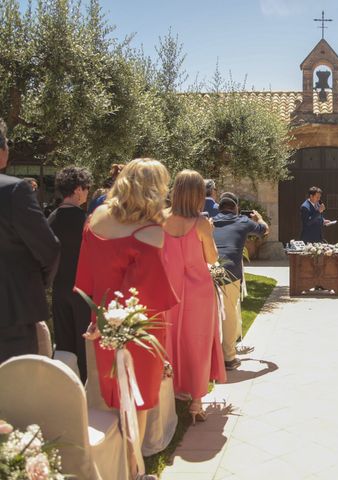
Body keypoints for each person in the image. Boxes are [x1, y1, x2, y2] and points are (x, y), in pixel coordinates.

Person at [75, 158, 178, 480]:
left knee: (110, 393)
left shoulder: (95, 219)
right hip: (138, 328)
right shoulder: (150, 233)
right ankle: (133, 470)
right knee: (138, 398)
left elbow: (87, 274)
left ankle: (113, 464)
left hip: (102, 321)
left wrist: (97, 318)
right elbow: (149, 292)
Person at [162, 170, 226, 423]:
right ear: (199, 194)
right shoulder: (200, 222)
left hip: (170, 288)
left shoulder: (161, 219)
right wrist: (208, 231)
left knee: (172, 338)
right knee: (197, 342)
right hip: (198, 290)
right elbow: (212, 258)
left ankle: (174, 389)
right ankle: (196, 402)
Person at [0, 118, 60, 363]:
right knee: (14, 394)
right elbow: (49, 248)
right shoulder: (14, 191)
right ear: (2, 151)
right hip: (11, 313)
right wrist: (37, 281)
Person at [213, 193, 268, 370]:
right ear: (235, 207)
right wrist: (259, 217)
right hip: (229, 273)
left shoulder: (210, 221)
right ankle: (228, 358)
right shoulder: (243, 221)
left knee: (211, 315)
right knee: (228, 315)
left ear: (219, 207)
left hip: (208, 271)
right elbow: (264, 230)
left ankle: (210, 356)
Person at [47, 166, 93, 381]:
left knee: (64, 347)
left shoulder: (51, 219)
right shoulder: (87, 221)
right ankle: (86, 396)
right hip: (82, 291)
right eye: (86, 188)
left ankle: (64, 392)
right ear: (77, 189)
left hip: (59, 289)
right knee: (85, 347)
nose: (88, 192)